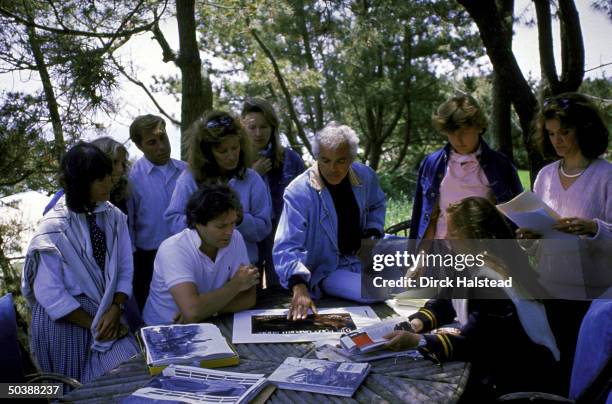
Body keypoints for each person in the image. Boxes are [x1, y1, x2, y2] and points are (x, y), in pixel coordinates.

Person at [384, 197, 560, 399]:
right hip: (498, 369)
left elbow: (473, 344)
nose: (445, 237)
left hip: (521, 382)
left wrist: (418, 341)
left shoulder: (492, 281)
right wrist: (415, 324)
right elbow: (444, 302)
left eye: (451, 232)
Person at [517, 92, 611, 394]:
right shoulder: (544, 176)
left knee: (581, 371)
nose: (557, 140)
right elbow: (540, 230)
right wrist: (527, 238)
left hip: (590, 294)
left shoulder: (606, 175)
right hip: (548, 286)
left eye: (565, 132)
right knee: (548, 367)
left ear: (583, 128)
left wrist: (593, 227)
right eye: (551, 133)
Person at [22, 142, 139, 386]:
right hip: (66, 322)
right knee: (71, 391)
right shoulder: (53, 228)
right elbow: (50, 293)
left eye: (109, 176)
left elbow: (125, 269)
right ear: (81, 183)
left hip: (106, 311)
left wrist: (116, 308)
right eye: (100, 179)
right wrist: (96, 325)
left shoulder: (114, 217)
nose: (109, 183)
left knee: (130, 367)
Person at [273, 122, 386, 320]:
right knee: (377, 291)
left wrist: (372, 233)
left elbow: (378, 204)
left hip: (360, 260)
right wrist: (299, 286)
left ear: (351, 158)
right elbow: (286, 245)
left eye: (340, 161)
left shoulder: (365, 176)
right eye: (325, 160)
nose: (332, 168)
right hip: (327, 270)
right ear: (316, 158)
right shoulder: (298, 191)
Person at [409, 93, 522, 241]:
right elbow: (427, 217)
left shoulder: (500, 164)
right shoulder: (432, 164)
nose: (458, 139)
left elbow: (515, 217)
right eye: (451, 133)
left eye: (464, 132)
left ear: (478, 127)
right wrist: (421, 259)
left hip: (485, 250)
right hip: (441, 249)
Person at [165, 111, 272, 265]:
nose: (231, 156)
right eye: (222, 151)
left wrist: (241, 220)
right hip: (201, 267)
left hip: (241, 267)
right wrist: (205, 220)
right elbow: (173, 221)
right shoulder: (190, 179)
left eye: (235, 148)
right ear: (207, 153)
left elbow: (264, 228)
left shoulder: (252, 179)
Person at [143, 185, 259, 325]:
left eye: (233, 223)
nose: (230, 231)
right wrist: (236, 284)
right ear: (198, 223)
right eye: (221, 226)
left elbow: (249, 297)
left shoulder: (236, 237)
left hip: (209, 322)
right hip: (163, 329)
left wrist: (207, 310)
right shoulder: (174, 249)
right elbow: (193, 311)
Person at [241, 98, 305, 286]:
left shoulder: (291, 159)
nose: (258, 133)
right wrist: (252, 174)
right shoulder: (233, 158)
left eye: (264, 127)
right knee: (249, 293)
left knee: (281, 289)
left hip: (280, 234)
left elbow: (304, 200)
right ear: (243, 126)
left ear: (273, 128)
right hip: (247, 234)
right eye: (252, 127)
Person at [127, 114, 187, 311]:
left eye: (163, 138)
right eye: (152, 142)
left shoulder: (186, 172)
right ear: (139, 146)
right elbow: (129, 227)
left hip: (187, 253)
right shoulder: (132, 180)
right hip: (149, 261)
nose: (161, 146)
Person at [43, 136, 130, 215]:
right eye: (115, 162)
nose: (120, 169)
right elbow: (49, 218)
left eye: (123, 163)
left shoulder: (121, 191)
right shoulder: (67, 195)